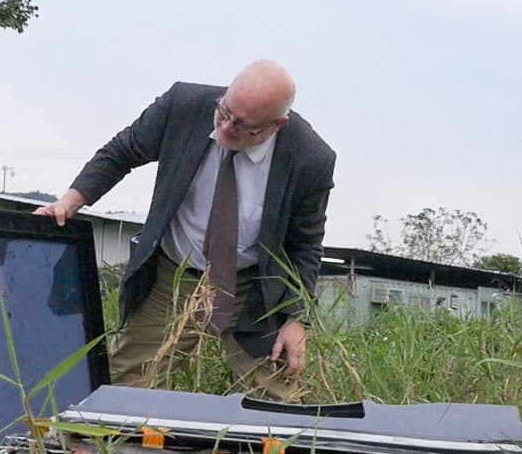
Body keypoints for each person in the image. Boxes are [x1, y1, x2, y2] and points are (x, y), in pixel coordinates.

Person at [35, 59, 335, 399]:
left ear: (276, 125)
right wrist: (69, 202)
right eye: (224, 113)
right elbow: (121, 152)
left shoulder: (311, 159)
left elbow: (306, 246)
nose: (224, 130)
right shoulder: (182, 105)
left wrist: (297, 318)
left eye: (243, 127)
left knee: (279, 401)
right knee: (124, 388)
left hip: (252, 288)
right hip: (172, 276)